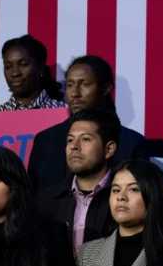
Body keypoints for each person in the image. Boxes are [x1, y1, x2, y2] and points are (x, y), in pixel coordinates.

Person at [27, 55, 149, 192]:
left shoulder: (131, 142)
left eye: (84, 84)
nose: (75, 93)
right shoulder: (45, 139)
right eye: (70, 85)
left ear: (106, 88)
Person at [35, 108, 122, 255]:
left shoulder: (123, 198)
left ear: (109, 149)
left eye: (85, 139)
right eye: (70, 140)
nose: (74, 146)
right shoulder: (45, 201)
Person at [0, 34, 65, 111]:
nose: (15, 73)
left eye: (23, 64)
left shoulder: (63, 111)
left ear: (40, 68)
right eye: (8, 66)